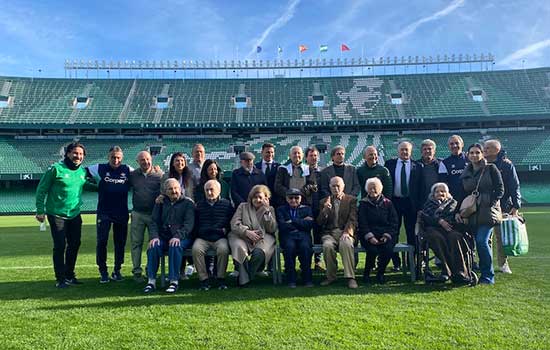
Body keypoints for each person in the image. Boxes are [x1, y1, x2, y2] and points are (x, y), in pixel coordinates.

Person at [35, 142, 95, 288]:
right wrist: (40, 210)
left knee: (75, 244)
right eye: (75, 153)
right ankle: (60, 279)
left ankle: (69, 275)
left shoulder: (82, 172)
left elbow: (84, 185)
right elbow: (41, 189)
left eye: (81, 154)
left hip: (74, 214)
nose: (78, 156)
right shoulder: (55, 169)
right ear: (68, 153)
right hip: (56, 214)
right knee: (60, 245)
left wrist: (104, 187)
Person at [459, 143, 504, 285]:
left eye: (477, 152)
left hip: (487, 212)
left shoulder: (491, 168)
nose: (474, 155)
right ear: (467, 155)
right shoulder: (465, 173)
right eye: (471, 152)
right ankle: (468, 272)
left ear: (482, 154)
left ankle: (487, 276)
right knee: (471, 243)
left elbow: (500, 188)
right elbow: (462, 193)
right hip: (471, 213)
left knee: (482, 242)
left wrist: (491, 202)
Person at [87, 146, 132, 283]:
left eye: (118, 157)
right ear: (109, 157)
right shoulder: (99, 168)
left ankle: (117, 270)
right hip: (104, 212)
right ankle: (103, 271)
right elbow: (80, 173)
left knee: (120, 243)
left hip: (121, 212)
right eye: (113, 157)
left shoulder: (127, 169)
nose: (116, 160)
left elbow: (142, 175)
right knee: (102, 241)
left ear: (122, 158)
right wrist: (92, 185)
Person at [143, 179, 195, 294]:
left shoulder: (188, 203)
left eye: (176, 188)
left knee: (175, 246)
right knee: (153, 246)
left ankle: (174, 281)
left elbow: (189, 224)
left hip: (182, 237)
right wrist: (154, 236)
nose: (174, 191)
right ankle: (151, 282)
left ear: (180, 189)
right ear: (165, 191)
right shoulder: (160, 203)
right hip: (164, 237)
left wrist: (178, 236)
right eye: (170, 189)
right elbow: (153, 222)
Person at [420, 182, 471, 284]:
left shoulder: (453, 203)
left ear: (447, 193)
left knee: (455, 237)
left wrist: (449, 220)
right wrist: (440, 221)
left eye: (443, 191)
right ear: (433, 194)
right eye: (437, 191)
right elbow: (426, 218)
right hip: (434, 228)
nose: (440, 193)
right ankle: (447, 270)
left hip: (450, 228)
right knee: (437, 238)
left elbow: (455, 216)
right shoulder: (428, 204)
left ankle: (460, 273)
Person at [384, 141, 423, 270]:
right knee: (393, 232)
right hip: (394, 202)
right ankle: (396, 262)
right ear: (398, 151)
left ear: (411, 151)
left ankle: (414, 262)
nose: (404, 152)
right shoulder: (389, 164)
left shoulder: (417, 166)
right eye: (402, 150)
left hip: (410, 204)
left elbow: (419, 188)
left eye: (407, 150)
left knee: (412, 233)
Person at [484, 139, 521, 274]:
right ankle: (485, 263)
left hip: (503, 206)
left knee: (501, 237)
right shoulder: (481, 163)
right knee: (485, 237)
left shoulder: (506, 165)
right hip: (484, 206)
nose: (485, 149)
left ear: (496, 150)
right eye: (485, 147)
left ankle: (503, 264)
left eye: (488, 148)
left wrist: (516, 205)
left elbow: (514, 185)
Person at [229, 184, 277, 287]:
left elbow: (272, 229)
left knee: (259, 252)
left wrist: (267, 212)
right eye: (255, 197)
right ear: (251, 198)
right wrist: (246, 232)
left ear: (266, 198)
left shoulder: (270, 209)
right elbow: (234, 224)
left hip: (263, 237)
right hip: (242, 235)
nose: (257, 200)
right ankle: (244, 280)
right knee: (239, 248)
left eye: (260, 197)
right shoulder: (243, 206)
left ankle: (246, 276)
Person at [192, 180, 234, 290]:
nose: (209, 192)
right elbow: (195, 223)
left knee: (223, 249)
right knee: (196, 249)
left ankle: (220, 278)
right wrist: (199, 232)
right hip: (203, 238)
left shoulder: (227, 204)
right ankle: (204, 280)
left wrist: (226, 230)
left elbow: (232, 222)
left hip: (220, 237)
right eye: (207, 190)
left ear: (219, 191)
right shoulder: (199, 205)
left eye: (212, 190)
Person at [317, 176, 358, 289]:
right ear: (330, 187)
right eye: (333, 186)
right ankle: (331, 276)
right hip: (329, 233)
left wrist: (347, 232)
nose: (336, 188)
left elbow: (353, 219)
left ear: (343, 186)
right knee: (327, 246)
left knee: (346, 243)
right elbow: (319, 222)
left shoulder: (351, 200)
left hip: (344, 232)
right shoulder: (323, 201)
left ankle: (350, 277)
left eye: (338, 185)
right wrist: (325, 211)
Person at [129, 150, 163, 282]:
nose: (146, 162)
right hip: (137, 213)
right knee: (136, 243)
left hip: (154, 215)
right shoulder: (132, 175)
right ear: (137, 161)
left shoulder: (159, 175)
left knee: (154, 244)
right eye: (142, 160)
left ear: (151, 159)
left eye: (147, 159)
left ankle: (151, 270)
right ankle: (137, 272)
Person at [358, 178, 398, 284]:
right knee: (372, 250)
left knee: (388, 250)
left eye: (375, 188)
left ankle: (380, 273)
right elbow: (362, 223)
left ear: (380, 189)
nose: (372, 190)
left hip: (385, 234)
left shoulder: (388, 203)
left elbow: (394, 222)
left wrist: (387, 235)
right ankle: (366, 273)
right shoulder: (363, 204)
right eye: (370, 188)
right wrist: (370, 237)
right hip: (369, 234)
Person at [276, 188, 315, 288]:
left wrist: (291, 221)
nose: (293, 200)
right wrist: (301, 221)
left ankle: (307, 278)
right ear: (286, 199)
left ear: (301, 198)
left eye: (296, 198)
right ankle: (291, 278)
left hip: (303, 236)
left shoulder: (307, 209)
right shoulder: (281, 209)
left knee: (305, 248)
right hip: (287, 236)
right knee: (289, 248)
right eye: (291, 198)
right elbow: (282, 226)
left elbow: (309, 224)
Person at [304, 146, 324, 272]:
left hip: (319, 207)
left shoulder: (323, 172)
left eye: (315, 155)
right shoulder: (302, 171)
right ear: (306, 158)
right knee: (306, 235)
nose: (313, 158)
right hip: (305, 207)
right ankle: (305, 262)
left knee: (319, 235)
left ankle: (318, 261)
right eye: (311, 155)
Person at [440, 135, 468, 203]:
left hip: (471, 197)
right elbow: (443, 183)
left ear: (462, 144)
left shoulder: (470, 158)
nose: (454, 145)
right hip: (454, 199)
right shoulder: (444, 163)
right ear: (448, 146)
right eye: (451, 144)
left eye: (457, 143)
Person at [418, 139, 445, 204]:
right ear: (421, 151)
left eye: (430, 149)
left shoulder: (441, 164)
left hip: (439, 200)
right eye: (425, 149)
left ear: (434, 151)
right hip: (422, 200)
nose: (427, 151)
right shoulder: (416, 166)